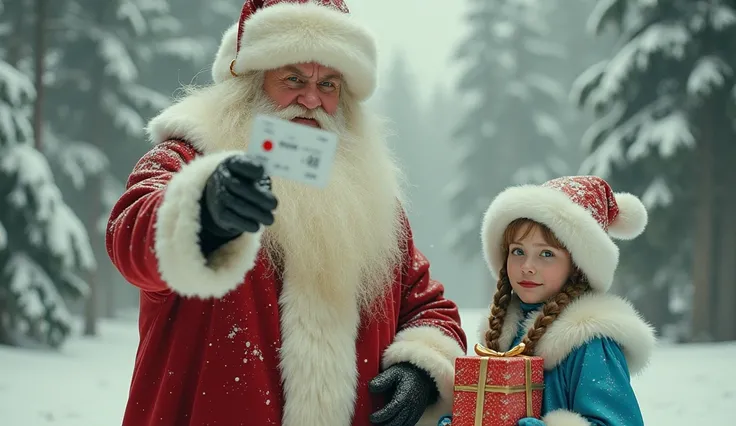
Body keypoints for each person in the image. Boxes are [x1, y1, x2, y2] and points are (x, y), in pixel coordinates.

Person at [105, 1, 467, 425]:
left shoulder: (370, 202)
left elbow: (426, 304)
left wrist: (420, 365)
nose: (311, 99)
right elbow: (129, 239)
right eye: (293, 79)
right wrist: (202, 210)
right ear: (252, 83)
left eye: (329, 85)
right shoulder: (184, 158)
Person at [474, 176, 656, 426]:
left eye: (546, 254)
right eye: (518, 251)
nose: (527, 266)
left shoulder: (591, 342)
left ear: (577, 267)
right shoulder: (500, 335)